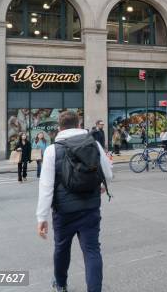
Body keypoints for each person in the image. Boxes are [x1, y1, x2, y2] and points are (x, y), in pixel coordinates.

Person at [36, 110, 113, 292]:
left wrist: (42, 217)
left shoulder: (52, 150)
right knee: (92, 251)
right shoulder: (93, 143)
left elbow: (46, 187)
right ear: (79, 124)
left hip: (64, 211)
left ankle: (61, 284)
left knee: (62, 249)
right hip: (90, 207)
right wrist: (102, 185)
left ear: (59, 128)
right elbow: (108, 173)